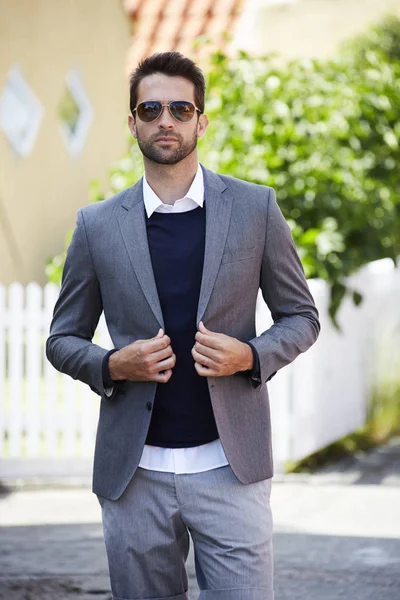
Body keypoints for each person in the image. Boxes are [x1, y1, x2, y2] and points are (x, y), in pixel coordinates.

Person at [46, 51, 320, 600]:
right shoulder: (97, 226)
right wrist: (109, 363)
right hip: (133, 476)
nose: (164, 120)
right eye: (150, 108)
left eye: (180, 108)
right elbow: (61, 339)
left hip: (231, 466)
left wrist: (250, 356)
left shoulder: (255, 208)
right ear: (133, 123)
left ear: (201, 120)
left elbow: (301, 317)